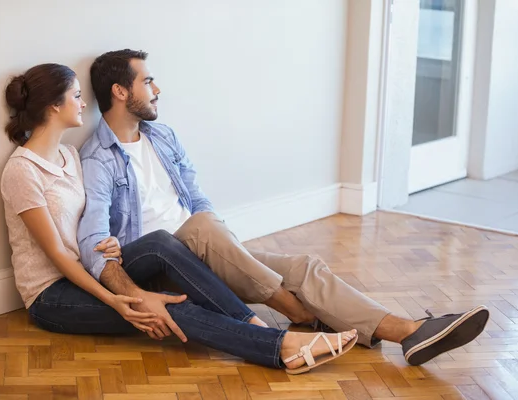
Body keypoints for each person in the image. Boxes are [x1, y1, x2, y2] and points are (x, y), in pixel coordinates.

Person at [77, 49, 490, 366]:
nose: (157, 89)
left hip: (207, 244)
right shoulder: (99, 158)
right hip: (167, 263)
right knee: (203, 228)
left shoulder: (162, 136)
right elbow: (94, 240)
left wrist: (228, 246)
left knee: (303, 266)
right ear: (120, 91)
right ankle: (298, 312)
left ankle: (409, 332)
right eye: (148, 81)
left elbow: (196, 196)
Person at [0, 62, 359, 374]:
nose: (83, 103)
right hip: (54, 295)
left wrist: (106, 242)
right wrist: (124, 299)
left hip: (89, 269)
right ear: (53, 104)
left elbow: (86, 222)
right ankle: (279, 347)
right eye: (76, 95)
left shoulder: (68, 156)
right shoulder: (22, 171)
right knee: (165, 309)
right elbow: (59, 257)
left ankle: (258, 327)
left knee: (160, 243)